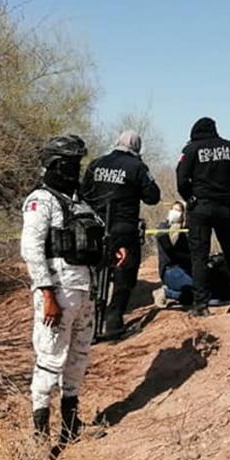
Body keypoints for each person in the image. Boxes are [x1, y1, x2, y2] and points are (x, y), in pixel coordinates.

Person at [20, 135, 103, 446]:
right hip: (57, 291)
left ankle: (71, 425)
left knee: (78, 358)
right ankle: (40, 437)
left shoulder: (78, 201)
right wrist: (46, 293)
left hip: (84, 290)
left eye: (76, 164)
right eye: (69, 164)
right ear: (55, 164)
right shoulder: (41, 201)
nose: (74, 170)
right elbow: (31, 249)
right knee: (50, 360)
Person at [80, 130, 161, 338]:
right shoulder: (137, 167)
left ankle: (87, 325)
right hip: (124, 229)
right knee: (125, 274)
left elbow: (83, 193)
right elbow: (153, 196)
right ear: (137, 147)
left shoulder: (96, 164)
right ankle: (113, 322)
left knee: (93, 273)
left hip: (95, 228)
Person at [176, 117, 230, 308]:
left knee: (199, 256)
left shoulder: (191, 149)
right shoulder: (228, 147)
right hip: (224, 207)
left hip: (200, 209)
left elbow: (181, 180)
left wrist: (190, 198)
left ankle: (200, 303)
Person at [155, 201, 198, 311]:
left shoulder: (187, 230)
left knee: (202, 290)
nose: (175, 213)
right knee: (199, 291)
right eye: (173, 209)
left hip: (187, 269)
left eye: (179, 211)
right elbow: (169, 250)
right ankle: (166, 293)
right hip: (170, 270)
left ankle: (174, 292)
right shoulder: (163, 227)